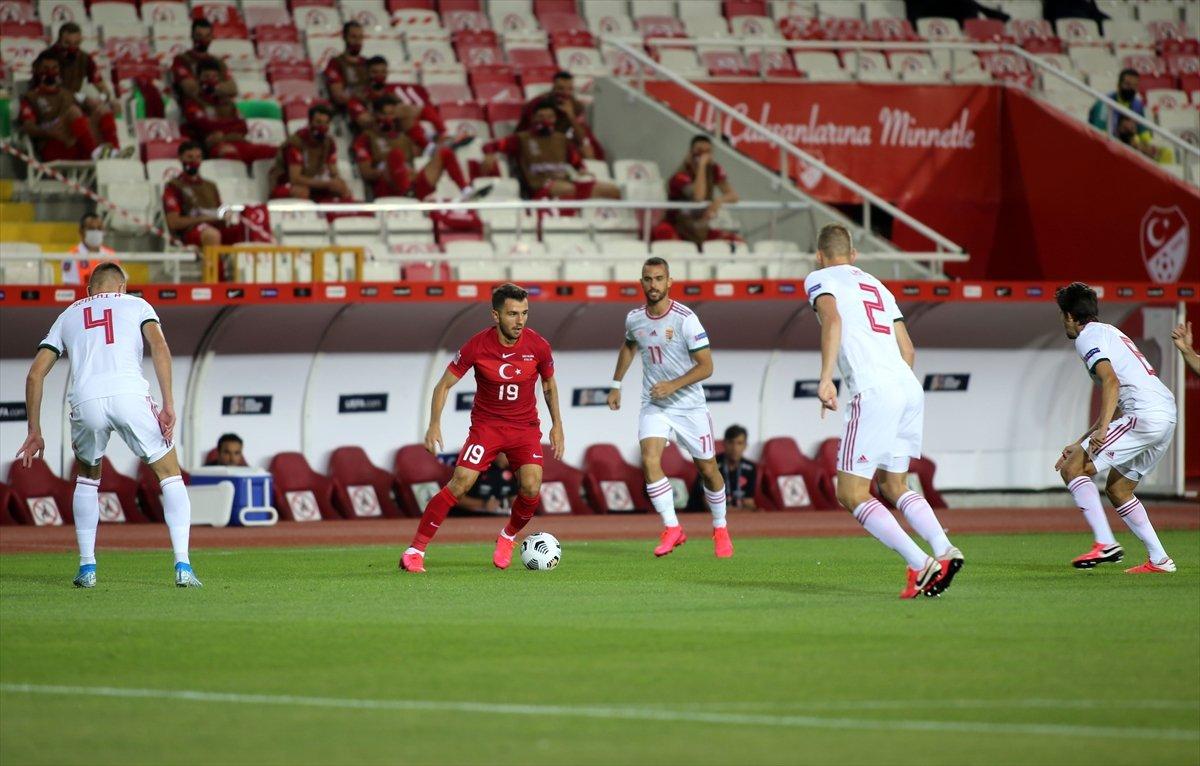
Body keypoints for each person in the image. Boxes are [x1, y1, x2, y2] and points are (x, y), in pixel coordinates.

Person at [15, 262, 201, 588]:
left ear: (89, 291)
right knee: (170, 475)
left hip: (86, 401)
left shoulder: (69, 314)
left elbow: (34, 375)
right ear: (123, 288)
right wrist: (169, 404)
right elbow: (159, 346)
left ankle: (87, 568)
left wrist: (34, 430)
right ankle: (183, 565)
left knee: (87, 479)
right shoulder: (137, 305)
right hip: (129, 395)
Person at [805, 224, 962, 598]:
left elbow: (832, 320)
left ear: (819, 255)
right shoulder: (878, 285)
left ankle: (920, 563)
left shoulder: (819, 278)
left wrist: (826, 378)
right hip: (908, 387)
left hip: (874, 391)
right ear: (854, 255)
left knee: (851, 493)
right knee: (894, 485)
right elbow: (908, 349)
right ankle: (944, 549)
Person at [401, 283, 564, 573]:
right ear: (496, 315)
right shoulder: (476, 346)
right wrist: (434, 424)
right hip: (487, 427)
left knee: (531, 487)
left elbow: (549, 384)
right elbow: (443, 385)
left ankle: (508, 536)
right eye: (513, 314)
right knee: (460, 482)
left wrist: (557, 425)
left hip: (524, 428)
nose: (520, 321)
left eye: (525, 313)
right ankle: (415, 550)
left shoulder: (538, 345)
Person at [606, 257, 733, 559]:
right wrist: (616, 384)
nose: (653, 285)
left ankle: (720, 527)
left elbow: (707, 366)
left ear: (669, 282)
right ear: (641, 282)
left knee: (708, 470)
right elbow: (629, 345)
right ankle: (673, 527)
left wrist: (673, 385)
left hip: (689, 407)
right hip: (655, 403)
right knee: (649, 460)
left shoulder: (685, 319)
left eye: (659, 278)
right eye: (648, 279)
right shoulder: (634, 318)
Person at [1053, 282, 1178, 574]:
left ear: (1069, 315)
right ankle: (1160, 559)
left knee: (1072, 469)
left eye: (1061, 315)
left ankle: (1105, 543)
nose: (1062, 321)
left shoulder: (1087, 337)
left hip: (1144, 415)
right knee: (1119, 489)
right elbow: (1119, 398)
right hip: (1163, 414)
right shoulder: (1109, 332)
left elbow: (1111, 382)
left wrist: (1100, 433)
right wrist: (1083, 440)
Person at [480, 99, 621, 200]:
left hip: (566, 182)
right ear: (533, 118)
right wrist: (489, 154)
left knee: (612, 191)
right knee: (569, 189)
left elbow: (577, 163)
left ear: (555, 119)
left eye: (550, 117)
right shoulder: (521, 138)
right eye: (541, 117)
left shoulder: (562, 139)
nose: (545, 120)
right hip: (540, 188)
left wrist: (582, 170)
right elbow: (491, 145)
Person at [351, 94, 472, 200]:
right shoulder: (366, 138)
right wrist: (386, 170)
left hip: (413, 185)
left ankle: (466, 190)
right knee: (396, 155)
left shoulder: (405, 134)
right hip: (387, 188)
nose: (390, 118)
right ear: (377, 114)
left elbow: (423, 113)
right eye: (387, 114)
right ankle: (407, 191)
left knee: (445, 153)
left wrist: (442, 135)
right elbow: (366, 173)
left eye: (393, 114)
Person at [40, 22, 123, 153]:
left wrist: (108, 98)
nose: (72, 48)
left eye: (76, 44)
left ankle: (115, 152)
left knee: (103, 109)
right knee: (76, 111)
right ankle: (93, 154)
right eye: (67, 43)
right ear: (59, 41)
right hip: (52, 108)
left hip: (74, 104)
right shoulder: (47, 59)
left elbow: (99, 83)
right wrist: (84, 99)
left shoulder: (84, 58)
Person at [182, 60, 277, 165]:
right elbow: (204, 126)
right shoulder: (193, 102)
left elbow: (243, 126)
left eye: (214, 77)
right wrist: (230, 127)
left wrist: (222, 134)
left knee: (276, 152)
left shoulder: (228, 102)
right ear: (198, 79)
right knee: (229, 154)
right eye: (206, 76)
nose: (210, 80)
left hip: (239, 143)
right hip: (213, 147)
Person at [653, 135, 741, 244]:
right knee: (663, 231)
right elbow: (699, 197)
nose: (704, 156)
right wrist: (702, 166)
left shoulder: (714, 170)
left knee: (736, 241)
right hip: (678, 227)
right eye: (700, 151)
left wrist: (719, 200)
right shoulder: (679, 177)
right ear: (690, 153)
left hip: (699, 228)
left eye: (708, 152)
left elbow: (734, 196)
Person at [19, 56, 107, 161]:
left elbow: (89, 109)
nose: (50, 72)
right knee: (73, 112)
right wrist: (48, 131)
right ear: (37, 71)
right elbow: (28, 126)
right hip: (53, 144)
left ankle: (113, 153)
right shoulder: (31, 97)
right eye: (45, 68)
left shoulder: (68, 93)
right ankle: (95, 153)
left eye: (54, 68)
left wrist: (102, 103)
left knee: (102, 110)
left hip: (77, 143)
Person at [164, 142, 242, 248]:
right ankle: (212, 259)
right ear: (180, 158)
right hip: (191, 230)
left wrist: (227, 214)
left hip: (215, 225)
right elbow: (173, 222)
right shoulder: (174, 186)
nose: (194, 161)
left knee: (245, 231)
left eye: (198, 157)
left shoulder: (210, 186)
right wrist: (203, 218)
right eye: (190, 157)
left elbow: (220, 210)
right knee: (212, 235)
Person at [269, 104, 354, 201]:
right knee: (302, 191)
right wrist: (326, 184)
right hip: (286, 184)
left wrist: (337, 181)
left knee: (342, 188)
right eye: (318, 122)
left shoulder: (329, 143)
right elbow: (295, 179)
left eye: (326, 123)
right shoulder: (296, 143)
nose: (322, 127)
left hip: (312, 183)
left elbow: (333, 171)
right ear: (310, 122)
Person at [516, 71, 604, 160]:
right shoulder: (537, 103)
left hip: (559, 142)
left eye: (569, 89)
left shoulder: (576, 106)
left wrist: (571, 115)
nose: (565, 93)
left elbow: (582, 137)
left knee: (587, 150)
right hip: (537, 140)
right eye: (560, 88)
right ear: (553, 88)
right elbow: (526, 130)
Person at [171, 18, 237, 102]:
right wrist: (217, 87)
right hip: (195, 105)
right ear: (192, 36)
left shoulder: (218, 62)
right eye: (199, 35)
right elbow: (189, 88)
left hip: (219, 106)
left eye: (207, 36)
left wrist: (209, 87)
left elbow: (233, 88)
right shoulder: (181, 59)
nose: (203, 39)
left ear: (212, 37)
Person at [324, 21, 371, 132]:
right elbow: (339, 96)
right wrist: (362, 96)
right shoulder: (336, 63)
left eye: (360, 37)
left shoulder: (367, 63)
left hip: (371, 105)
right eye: (353, 37)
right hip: (350, 108)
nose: (357, 41)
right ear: (344, 37)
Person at [703, 424, 757, 511]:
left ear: (745, 445)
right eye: (731, 442)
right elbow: (708, 504)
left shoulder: (750, 468)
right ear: (724, 443)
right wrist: (739, 511)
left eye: (739, 443)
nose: (735, 448)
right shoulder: (711, 465)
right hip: (707, 516)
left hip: (735, 515)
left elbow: (749, 502)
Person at [1088, 69, 1149, 140]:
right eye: (1127, 84)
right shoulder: (1104, 103)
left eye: (1134, 86)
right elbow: (1099, 132)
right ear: (1118, 85)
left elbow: (1144, 134)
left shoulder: (1138, 105)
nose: (1131, 89)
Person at [62, 214, 118, 286]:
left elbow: (119, 283)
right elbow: (70, 286)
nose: (96, 232)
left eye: (99, 228)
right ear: (81, 231)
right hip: (81, 293)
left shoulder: (111, 254)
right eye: (91, 228)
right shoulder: (71, 256)